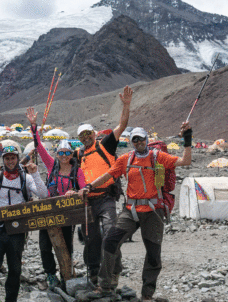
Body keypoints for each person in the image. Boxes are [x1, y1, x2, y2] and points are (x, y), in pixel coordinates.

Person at [81, 123, 192, 301]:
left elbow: (185, 161)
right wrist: (90, 186)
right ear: (131, 142)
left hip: (153, 211)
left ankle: (147, 295)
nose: (138, 141)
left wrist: (188, 138)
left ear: (146, 140)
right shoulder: (126, 159)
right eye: (135, 139)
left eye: (141, 138)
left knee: (153, 254)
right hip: (131, 210)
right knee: (110, 242)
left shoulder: (158, 157)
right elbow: (109, 175)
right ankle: (106, 285)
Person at [76, 85, 133, 284]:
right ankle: (93, 271)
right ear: (79, 139)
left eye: (87, 134)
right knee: (90, 237)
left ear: (94, 133)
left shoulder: (105, 144)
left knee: (110, 232)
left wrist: (126, 105)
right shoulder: (79, 154)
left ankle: (114, 270)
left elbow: (122, 125)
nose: (85, 138)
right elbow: (60, 164)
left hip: (106, 197)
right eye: (81, 136)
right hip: (87, 201)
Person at [26, 107, 86, 288]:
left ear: (72, 154)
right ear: (57, 154)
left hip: (67, 214)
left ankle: (67, 273)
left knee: (67, 245)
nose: (64, 156)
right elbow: (40, 148)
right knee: (45, 245)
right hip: (48, 210)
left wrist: (74, 193)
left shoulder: (78, 171)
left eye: (68, 153)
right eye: (61, 153)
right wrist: (34, 127)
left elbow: (84, 189)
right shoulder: (52, 166)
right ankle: (50, 274)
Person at [0, 144, 48, 302]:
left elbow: (43, 195)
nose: (10, 161)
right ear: (3, 160)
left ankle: (11, 299)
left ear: (18, 159)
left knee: (15, 268)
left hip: (17, 229)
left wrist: (36, 174)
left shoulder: (26, 178)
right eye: (7, 158)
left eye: (13, 158)